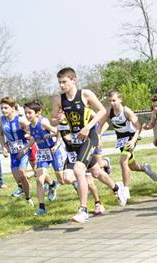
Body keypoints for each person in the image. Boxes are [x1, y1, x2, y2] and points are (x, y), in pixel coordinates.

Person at [54, 67, 128, 222]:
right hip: (75, 140)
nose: (61, 85)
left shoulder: (85, 94)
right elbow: (54, 118)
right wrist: (58, 118)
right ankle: (117, 187)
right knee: (95, 172)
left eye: (64, 82)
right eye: (59, 82)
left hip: (89, 137)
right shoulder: (58, 99)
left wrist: (88, 127)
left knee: (79, 169)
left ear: (73, 80)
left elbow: (102, 111)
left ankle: (83, 209)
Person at [100, 90, 157, 196]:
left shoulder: (126, 111)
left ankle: (125, 190)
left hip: (131, 137)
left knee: (123, 161)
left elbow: (138, 126)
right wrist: (98, 136)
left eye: (114, 100)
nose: (112, 103)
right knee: (132, 166)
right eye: (110, 101)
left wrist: (133, 140)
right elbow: (100, 124)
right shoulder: (109, 111)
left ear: (120, 99)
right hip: (121, 140)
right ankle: (145, 168)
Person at [22, 100, 64, 215]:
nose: (27, 115)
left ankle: (75, 184)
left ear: (38, 112)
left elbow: (58, 132)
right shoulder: (30, 126)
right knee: (39, 180)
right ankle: (41, 208)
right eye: (25, 113)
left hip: (53, 151)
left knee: (62, 179)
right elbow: (34, 138)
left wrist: (54, 141)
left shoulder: (43, 122)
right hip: (42, 153)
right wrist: (25, 148)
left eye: (29, 113)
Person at [0, 96, 34, 206]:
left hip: (23, 149)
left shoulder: (20, 120)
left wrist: (27, 143)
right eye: (2, 108)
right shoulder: (0, 121)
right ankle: (27, 183)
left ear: (13, 108)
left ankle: (28, 199)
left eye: (6, 108)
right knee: (19, 178)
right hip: (13, 152)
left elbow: (32, 132)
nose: (3, 110)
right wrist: (4, 146)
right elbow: (0, 135)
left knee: (22, 174)